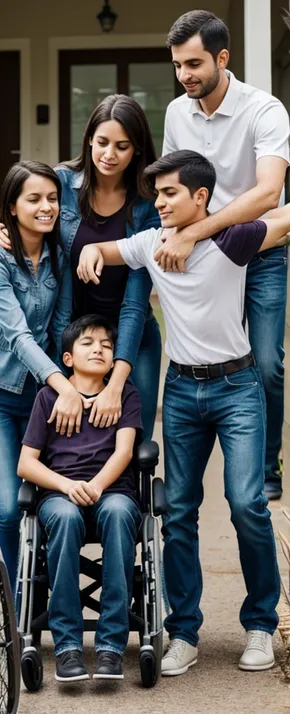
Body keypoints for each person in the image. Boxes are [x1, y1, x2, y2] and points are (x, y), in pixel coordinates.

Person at [77, 150, 290, 677]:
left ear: (200, 197)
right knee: (179, 512)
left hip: (238, 387)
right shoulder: (152, 243)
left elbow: (284, 216)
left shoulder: (231, 240)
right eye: (157, 193)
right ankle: (184, 632)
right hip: (181, 393)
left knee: (246, 504)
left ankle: (261, 624)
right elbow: (101, 248)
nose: (160, 202)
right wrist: (88, 254)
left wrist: (205, 229)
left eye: (170, 193)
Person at [159, 10, 290, 500]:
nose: (184, 75)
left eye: (193, 64)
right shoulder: (177, 113)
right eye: (177, 66)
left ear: (222, 57)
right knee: (205, 356)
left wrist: (200, 232)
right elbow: (170, 186)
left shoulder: (265, 109)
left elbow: (266, 195)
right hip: (204, 259)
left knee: (268, 363)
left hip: (259, 251)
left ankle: (266, 460)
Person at [0, 94, 162, 440]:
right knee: (68, 436)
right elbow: (28, 214)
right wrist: (0, 229)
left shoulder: (149, 203)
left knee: (135, 443)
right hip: (71, 336)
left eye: (122, 146)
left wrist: (115, 384)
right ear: (88, 140)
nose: (109, 155)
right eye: (102, 142)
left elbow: (134, 302)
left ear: (138, 151)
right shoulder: (63, 185)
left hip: (132, 338)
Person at [0, 161, 85, 589]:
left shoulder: (60, 254)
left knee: (49, 498)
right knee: (6, 505)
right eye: (33, 199)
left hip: (42, 395)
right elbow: (17, 334)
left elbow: (59, 325)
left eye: (52, 198)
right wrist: (62, 383)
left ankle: (54, 587)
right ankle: (24, 597)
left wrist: (65, 386)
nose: (46, 207)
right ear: (12, 208)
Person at [18, 314, 142, 682]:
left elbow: (124, 452)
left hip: (112, 491)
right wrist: (67, 486)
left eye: (106, 345)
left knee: (120, 514)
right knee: (67, 518)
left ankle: (110, 647)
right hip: (60, 494)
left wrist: (98, 486)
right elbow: (27, 463)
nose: (99, 349)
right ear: (68, 358)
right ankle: (68, 646)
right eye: (88, 343)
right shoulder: (48, 397)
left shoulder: (126, 394)